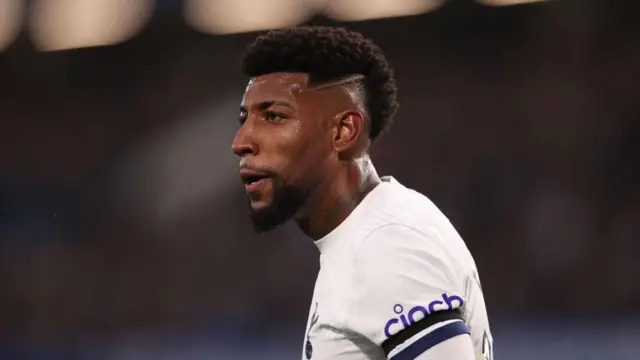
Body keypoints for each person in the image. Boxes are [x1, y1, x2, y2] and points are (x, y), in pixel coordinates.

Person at [231, 26, 493, 360]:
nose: (241, 142)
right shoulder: (375, 228)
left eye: (273, 116)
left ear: (344, 131)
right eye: (245, 118)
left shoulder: (384, 245)